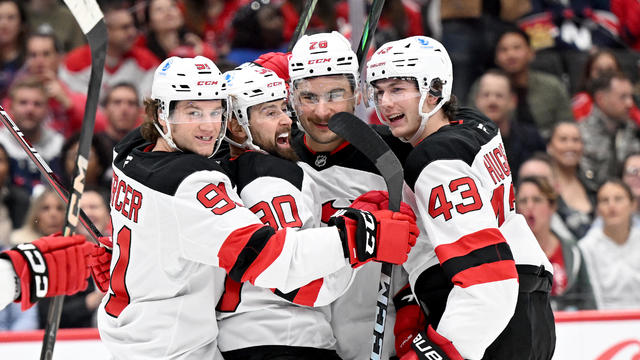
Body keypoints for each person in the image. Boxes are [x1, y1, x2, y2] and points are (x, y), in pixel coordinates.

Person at [97, 55, 417, 359]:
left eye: (215, 111)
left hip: (132, 335)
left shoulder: (130, 152)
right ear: (160, 115)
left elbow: (164, 226)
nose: (209, 126)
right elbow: (278, 262)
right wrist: (358, 234)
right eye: (193, 112)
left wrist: (134, 259)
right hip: (179, 349)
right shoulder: (194, 182)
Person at [367, 36, 555, 359]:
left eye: (397, 89)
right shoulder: (473, 123)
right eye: (379, 91)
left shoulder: (437, 162)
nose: (384, 103)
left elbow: (487, 281)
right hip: (530, 304)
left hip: (490, 322)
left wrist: (438, 352)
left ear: (435, 90)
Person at [217, 62, 417, 359]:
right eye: (270, 112)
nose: (287, 121)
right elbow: (302, 282)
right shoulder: (270, 179)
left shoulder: (219, 174)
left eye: (283, 108)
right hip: (284, 341)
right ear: (234, 124)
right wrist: (364, 236)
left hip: (240, 339)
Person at [282, 31, 415, 360]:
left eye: (335, 94)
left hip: (376, 342)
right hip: (297, 343)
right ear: (290, 97)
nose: (322, 111)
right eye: (309, 97)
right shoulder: (274, 157)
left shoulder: (395, 153)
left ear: (357, 94)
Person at [471, 27, 573, 139]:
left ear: (531, 52)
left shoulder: (553, 86)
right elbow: (471, 124)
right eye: (503, 49)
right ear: (496, 57)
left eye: (517, 48)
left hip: (548, 149)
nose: (510, 54)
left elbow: (567, 125)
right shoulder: (484, 85)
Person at [516, 176, 596, 311]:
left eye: (537, 200)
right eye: (523, 201)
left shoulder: (573, 251)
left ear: (552, 206)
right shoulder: (510, 253)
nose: (529, 206)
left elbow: (588, 301)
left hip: (571, 327)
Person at [59, 0, 159, 103]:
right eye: (125, 28)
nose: (133, 32)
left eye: (132, 26)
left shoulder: (146, 62)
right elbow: (75, 106)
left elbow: (148, 108)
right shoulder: (75, 64)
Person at [473, 68, 545, 182]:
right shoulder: (463, 142)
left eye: (499, 95)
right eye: (486, 95)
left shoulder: (532, 139)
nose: (492, 101)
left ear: (513, 101)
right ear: (477, 100)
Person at [579, 179, 640, 309]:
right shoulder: (587, 247)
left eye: (618, 199)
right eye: (604, 201)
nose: (611, 206)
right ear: (598, 209)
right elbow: (594, 297)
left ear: (632, 204)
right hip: (606, 321)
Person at [0, 76, 65, 193]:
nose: (30, 109)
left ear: (47, 109)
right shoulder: (1, 141)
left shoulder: (59, 144)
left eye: (37, 104)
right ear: (11, 107)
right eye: (23, 103)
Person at [579, 70, 640, 188]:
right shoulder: (581, 133)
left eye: (631, 96)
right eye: (623, 97)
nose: (630, 103)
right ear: (600, 98)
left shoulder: (632, 129)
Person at [546, 121, 596, 239]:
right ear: (550, 147)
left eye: (576, 140)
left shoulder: (592, 184)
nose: (570, 146)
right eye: (563, 140)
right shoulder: (544, 187)